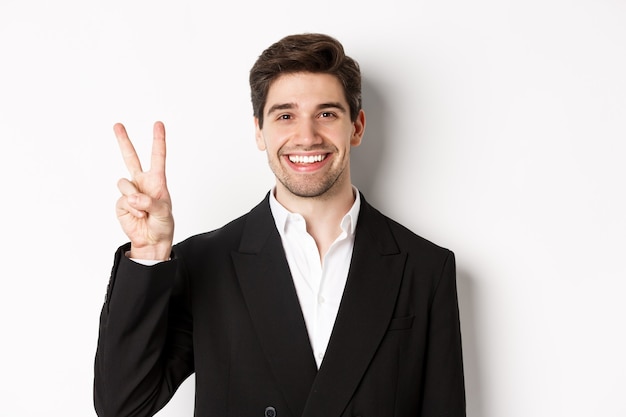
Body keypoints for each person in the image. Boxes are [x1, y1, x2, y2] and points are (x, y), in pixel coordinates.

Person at [94, 33, 466, 417]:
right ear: (259, 131)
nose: (306, 137)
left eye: (326, 114)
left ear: (356, 127)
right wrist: (149, 253)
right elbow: (123, 405)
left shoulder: (425, 268)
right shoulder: (205, 262)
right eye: (285, 116)